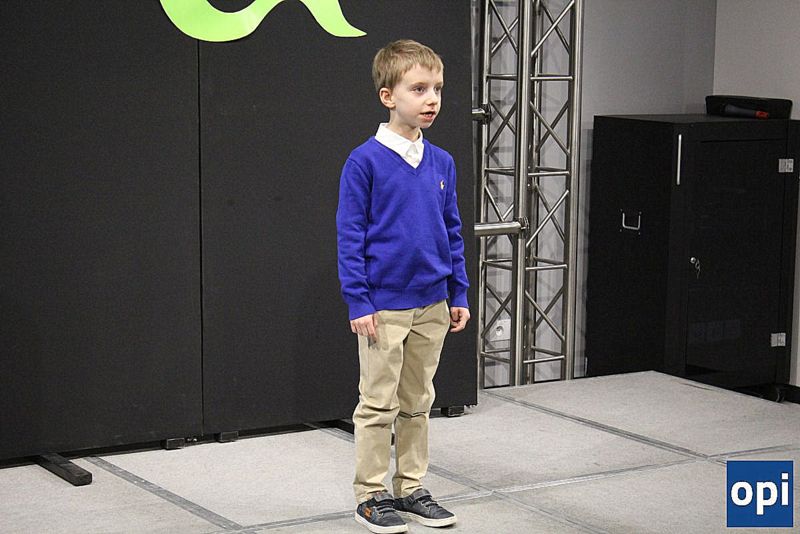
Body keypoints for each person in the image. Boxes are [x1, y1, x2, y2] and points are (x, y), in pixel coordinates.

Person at [336, 39, 470, 534]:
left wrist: (458, 291)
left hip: (432, 303)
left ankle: (410, 487)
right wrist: (359, 301)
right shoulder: (364, 162)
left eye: (437, 89)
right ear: (388, 96)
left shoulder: (442, 162)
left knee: (418, 401)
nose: (431, 98)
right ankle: (371, 495)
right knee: (378, 404)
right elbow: (350, 235)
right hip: (384, 308)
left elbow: (452, 230)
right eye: (419, 89)